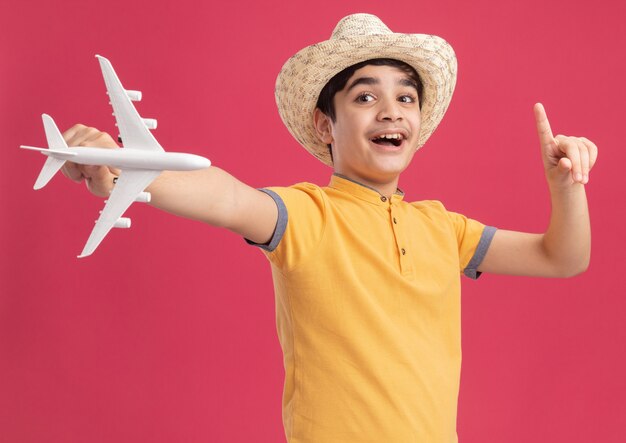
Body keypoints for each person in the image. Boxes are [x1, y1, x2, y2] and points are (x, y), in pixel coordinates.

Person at [58, 13, 597, 443]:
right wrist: (130, 164)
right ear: (325, 124)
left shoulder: (444, 228)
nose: (391, 111)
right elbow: (226, 197)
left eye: (405, 97)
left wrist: (566, 184)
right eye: (365, 97)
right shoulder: (304, 216)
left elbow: (562, 258)